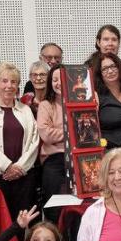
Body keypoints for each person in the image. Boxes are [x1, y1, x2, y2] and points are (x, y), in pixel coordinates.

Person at [0, 62, 39, 223]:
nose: (9, 86)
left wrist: (19, 168)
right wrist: (8, 166)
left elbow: (34, 142)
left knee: (22, 224)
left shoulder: (25, 110)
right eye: (4, 81)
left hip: (23, 177)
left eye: (13, 82)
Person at [37, 64, 67, 222]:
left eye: (62, 79)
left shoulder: (80, 104)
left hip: (78, 160)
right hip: (54, 159)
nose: (58, 83)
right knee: (54, 207)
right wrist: (71, 133)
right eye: (54, 79)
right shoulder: (45, 105)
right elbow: (46, 134)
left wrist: (61, 133)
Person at [87, 24, 121, 89]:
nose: (110, 43)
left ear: (119, 43)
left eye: (114, 40)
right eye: (106, 39)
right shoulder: (87, 70)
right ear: (98, 42)